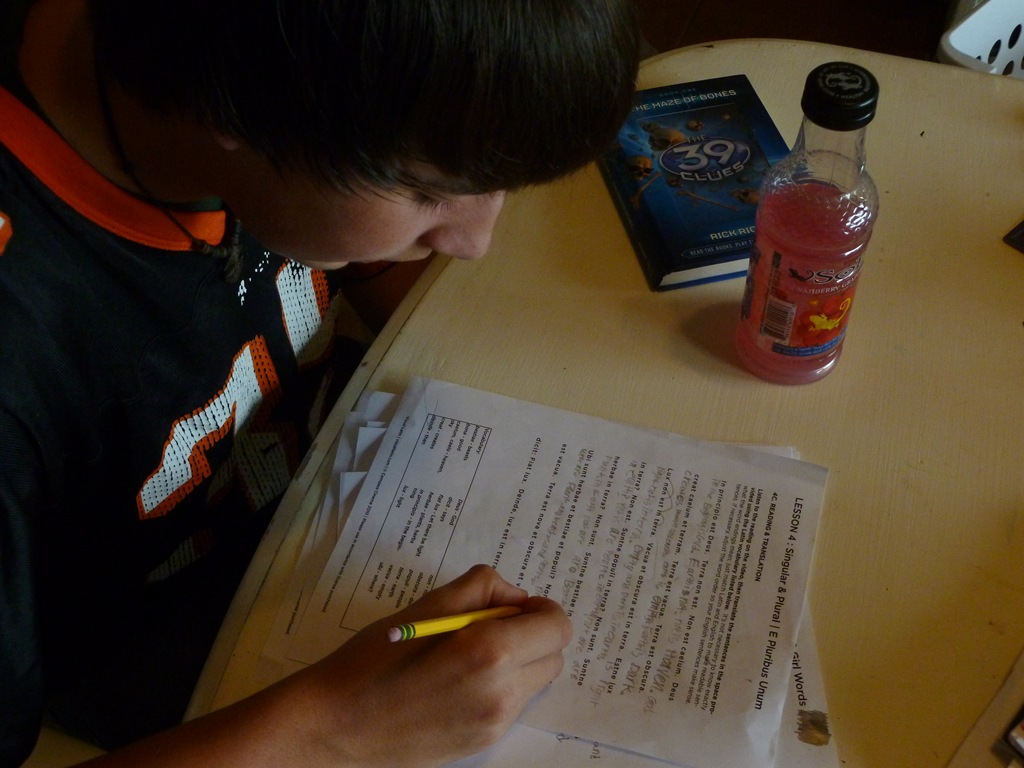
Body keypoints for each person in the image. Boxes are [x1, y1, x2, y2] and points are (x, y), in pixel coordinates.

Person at [0, 0, 640, 766]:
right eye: (429, 190)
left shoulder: (277, 99)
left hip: (323, 512)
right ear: (237, 97)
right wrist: (336, 730)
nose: (475, 241)